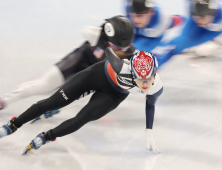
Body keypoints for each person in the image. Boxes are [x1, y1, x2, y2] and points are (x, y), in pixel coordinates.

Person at [0, 48, 163, 154]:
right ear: (132, 74)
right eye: (140, 80)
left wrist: (149, 131)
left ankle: (47, 136)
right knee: (52, 102)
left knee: (82, 118)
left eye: (149, 79)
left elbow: (150, 104)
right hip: (95, 76)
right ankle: (13, 125)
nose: (146, 84)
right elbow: (109, 51)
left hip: (114, 94)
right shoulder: (121, 68)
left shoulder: (156, 86)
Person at [0, 15, 135, 120]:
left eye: (123, 48)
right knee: (43, 85)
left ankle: (55, 107)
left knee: (71, 97)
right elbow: (85, 30)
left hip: (91, 76)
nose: (118, 51)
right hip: (76, 62)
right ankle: (5, 100)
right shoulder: (97, 35)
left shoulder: (130, 54)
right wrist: (102, 31)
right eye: (114, 45)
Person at [153, 0, 222, 67]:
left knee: (188, 45)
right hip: (196, 22)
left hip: (214, 30)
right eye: (197, 17)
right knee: (180, 43)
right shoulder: (196, 16)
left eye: (203, 18)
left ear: (213, 12)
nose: (200, 21)